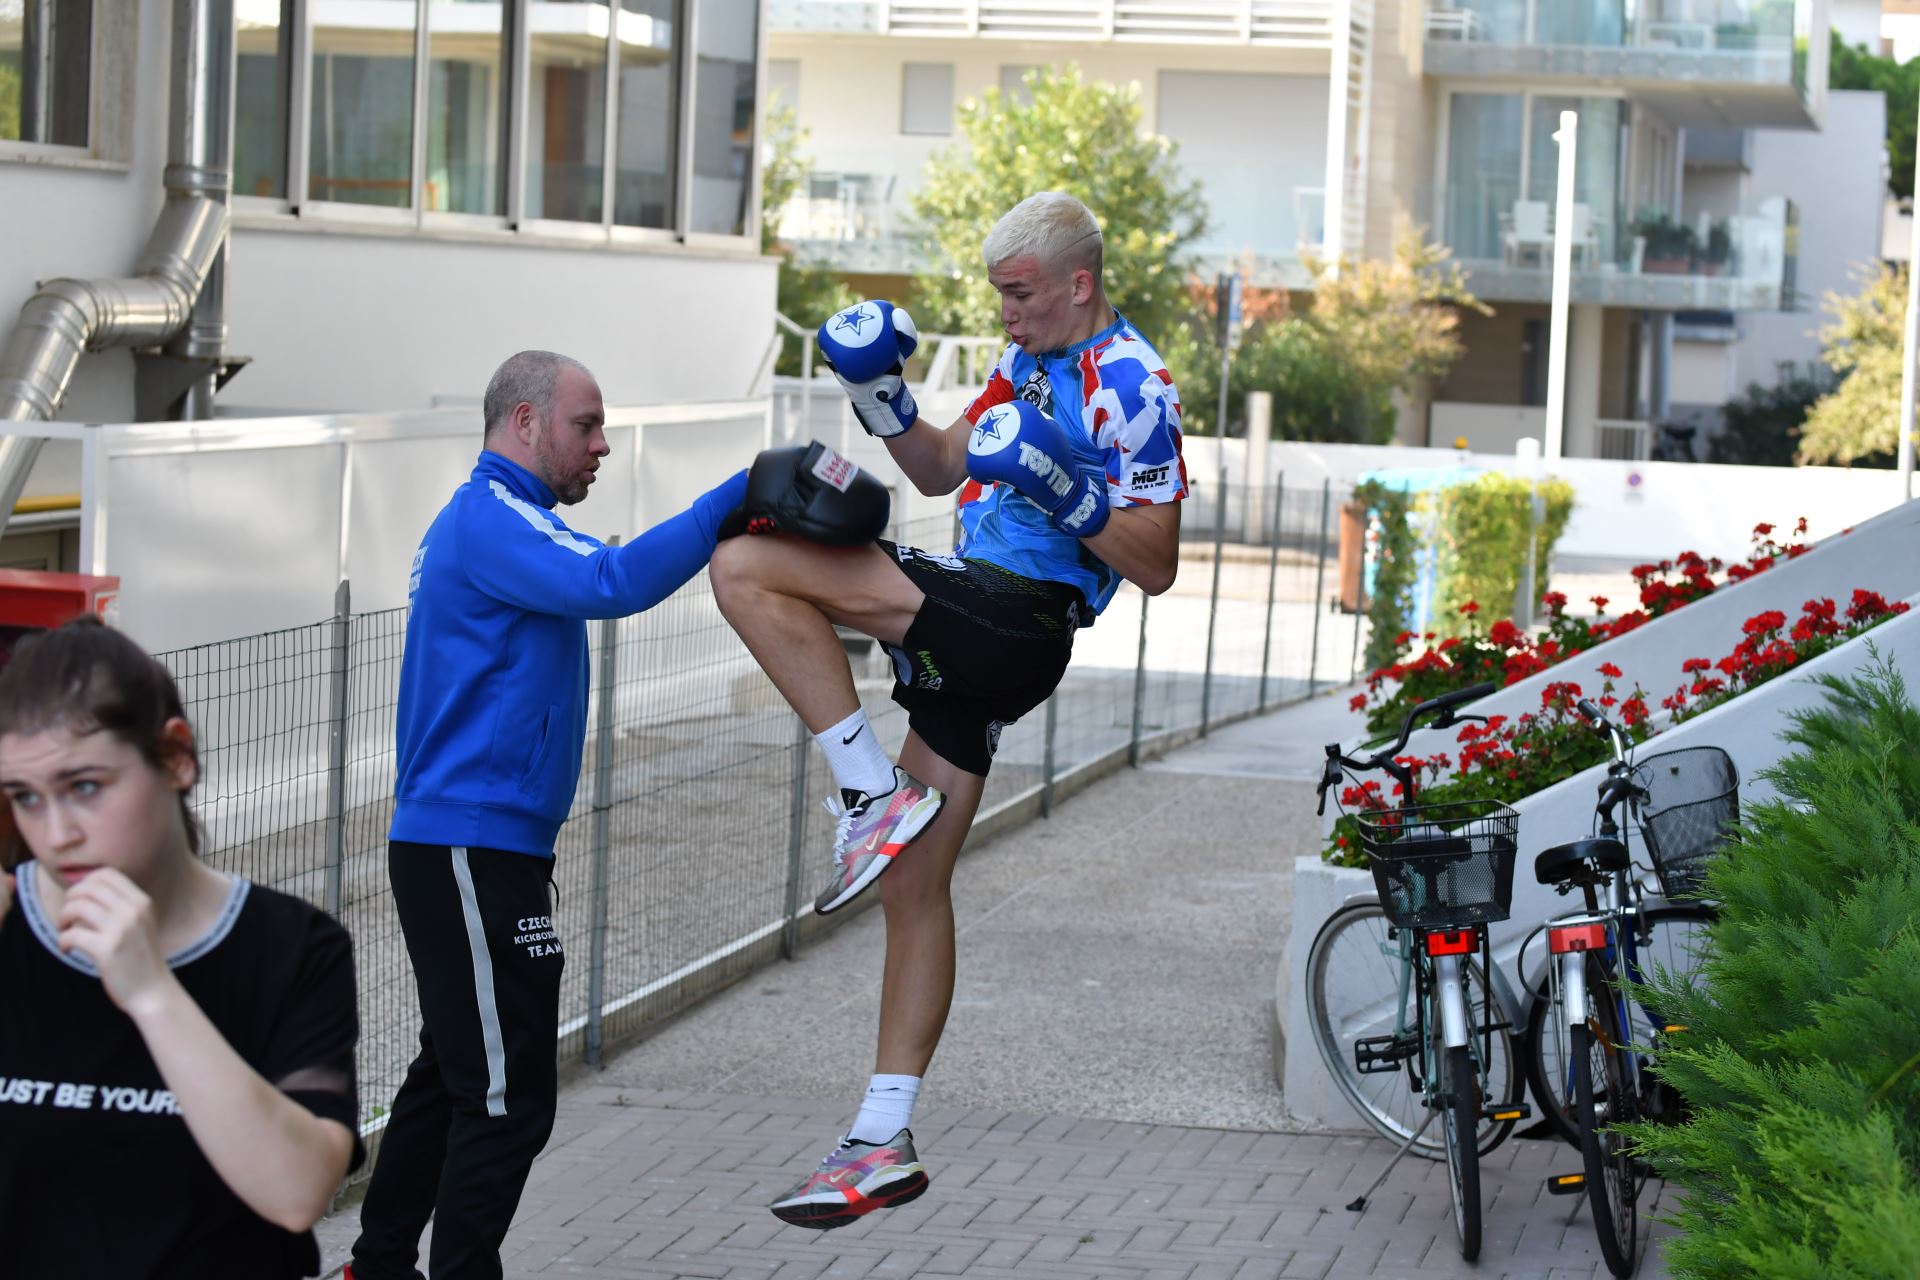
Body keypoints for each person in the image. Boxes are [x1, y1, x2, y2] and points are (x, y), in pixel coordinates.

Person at [709, 191, 1186, 1229]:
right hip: (976, 621)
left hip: (1018, 620)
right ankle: (882, 1136)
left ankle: (865, 787)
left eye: (1019, 295)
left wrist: (1070, 491)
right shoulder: (1025, 365)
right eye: (997, 295)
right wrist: (878, 391)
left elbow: (1155, 564)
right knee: (913, 888)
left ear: (1079, 283)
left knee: (747, 562)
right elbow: (938, 463)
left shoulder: (1137, 385)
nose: (1006, 314)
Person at [348, 351, 748, 1280]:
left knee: (454, 1073)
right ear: (523, 423)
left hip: (484, 844)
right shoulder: (490, 521)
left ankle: (375, 1264)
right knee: (505, 1094)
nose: (601, 445)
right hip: (466, 844)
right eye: (586, 425)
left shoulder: (508, 520)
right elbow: (611, 583)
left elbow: (598, 575)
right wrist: (736, 495)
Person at [0, 616, 363, 1277]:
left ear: (176, 756)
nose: (56, 835)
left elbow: (297, 1192)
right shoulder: (7, 928)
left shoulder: (293, 948)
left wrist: (152, 993)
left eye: (85, 787)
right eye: (25, 797)